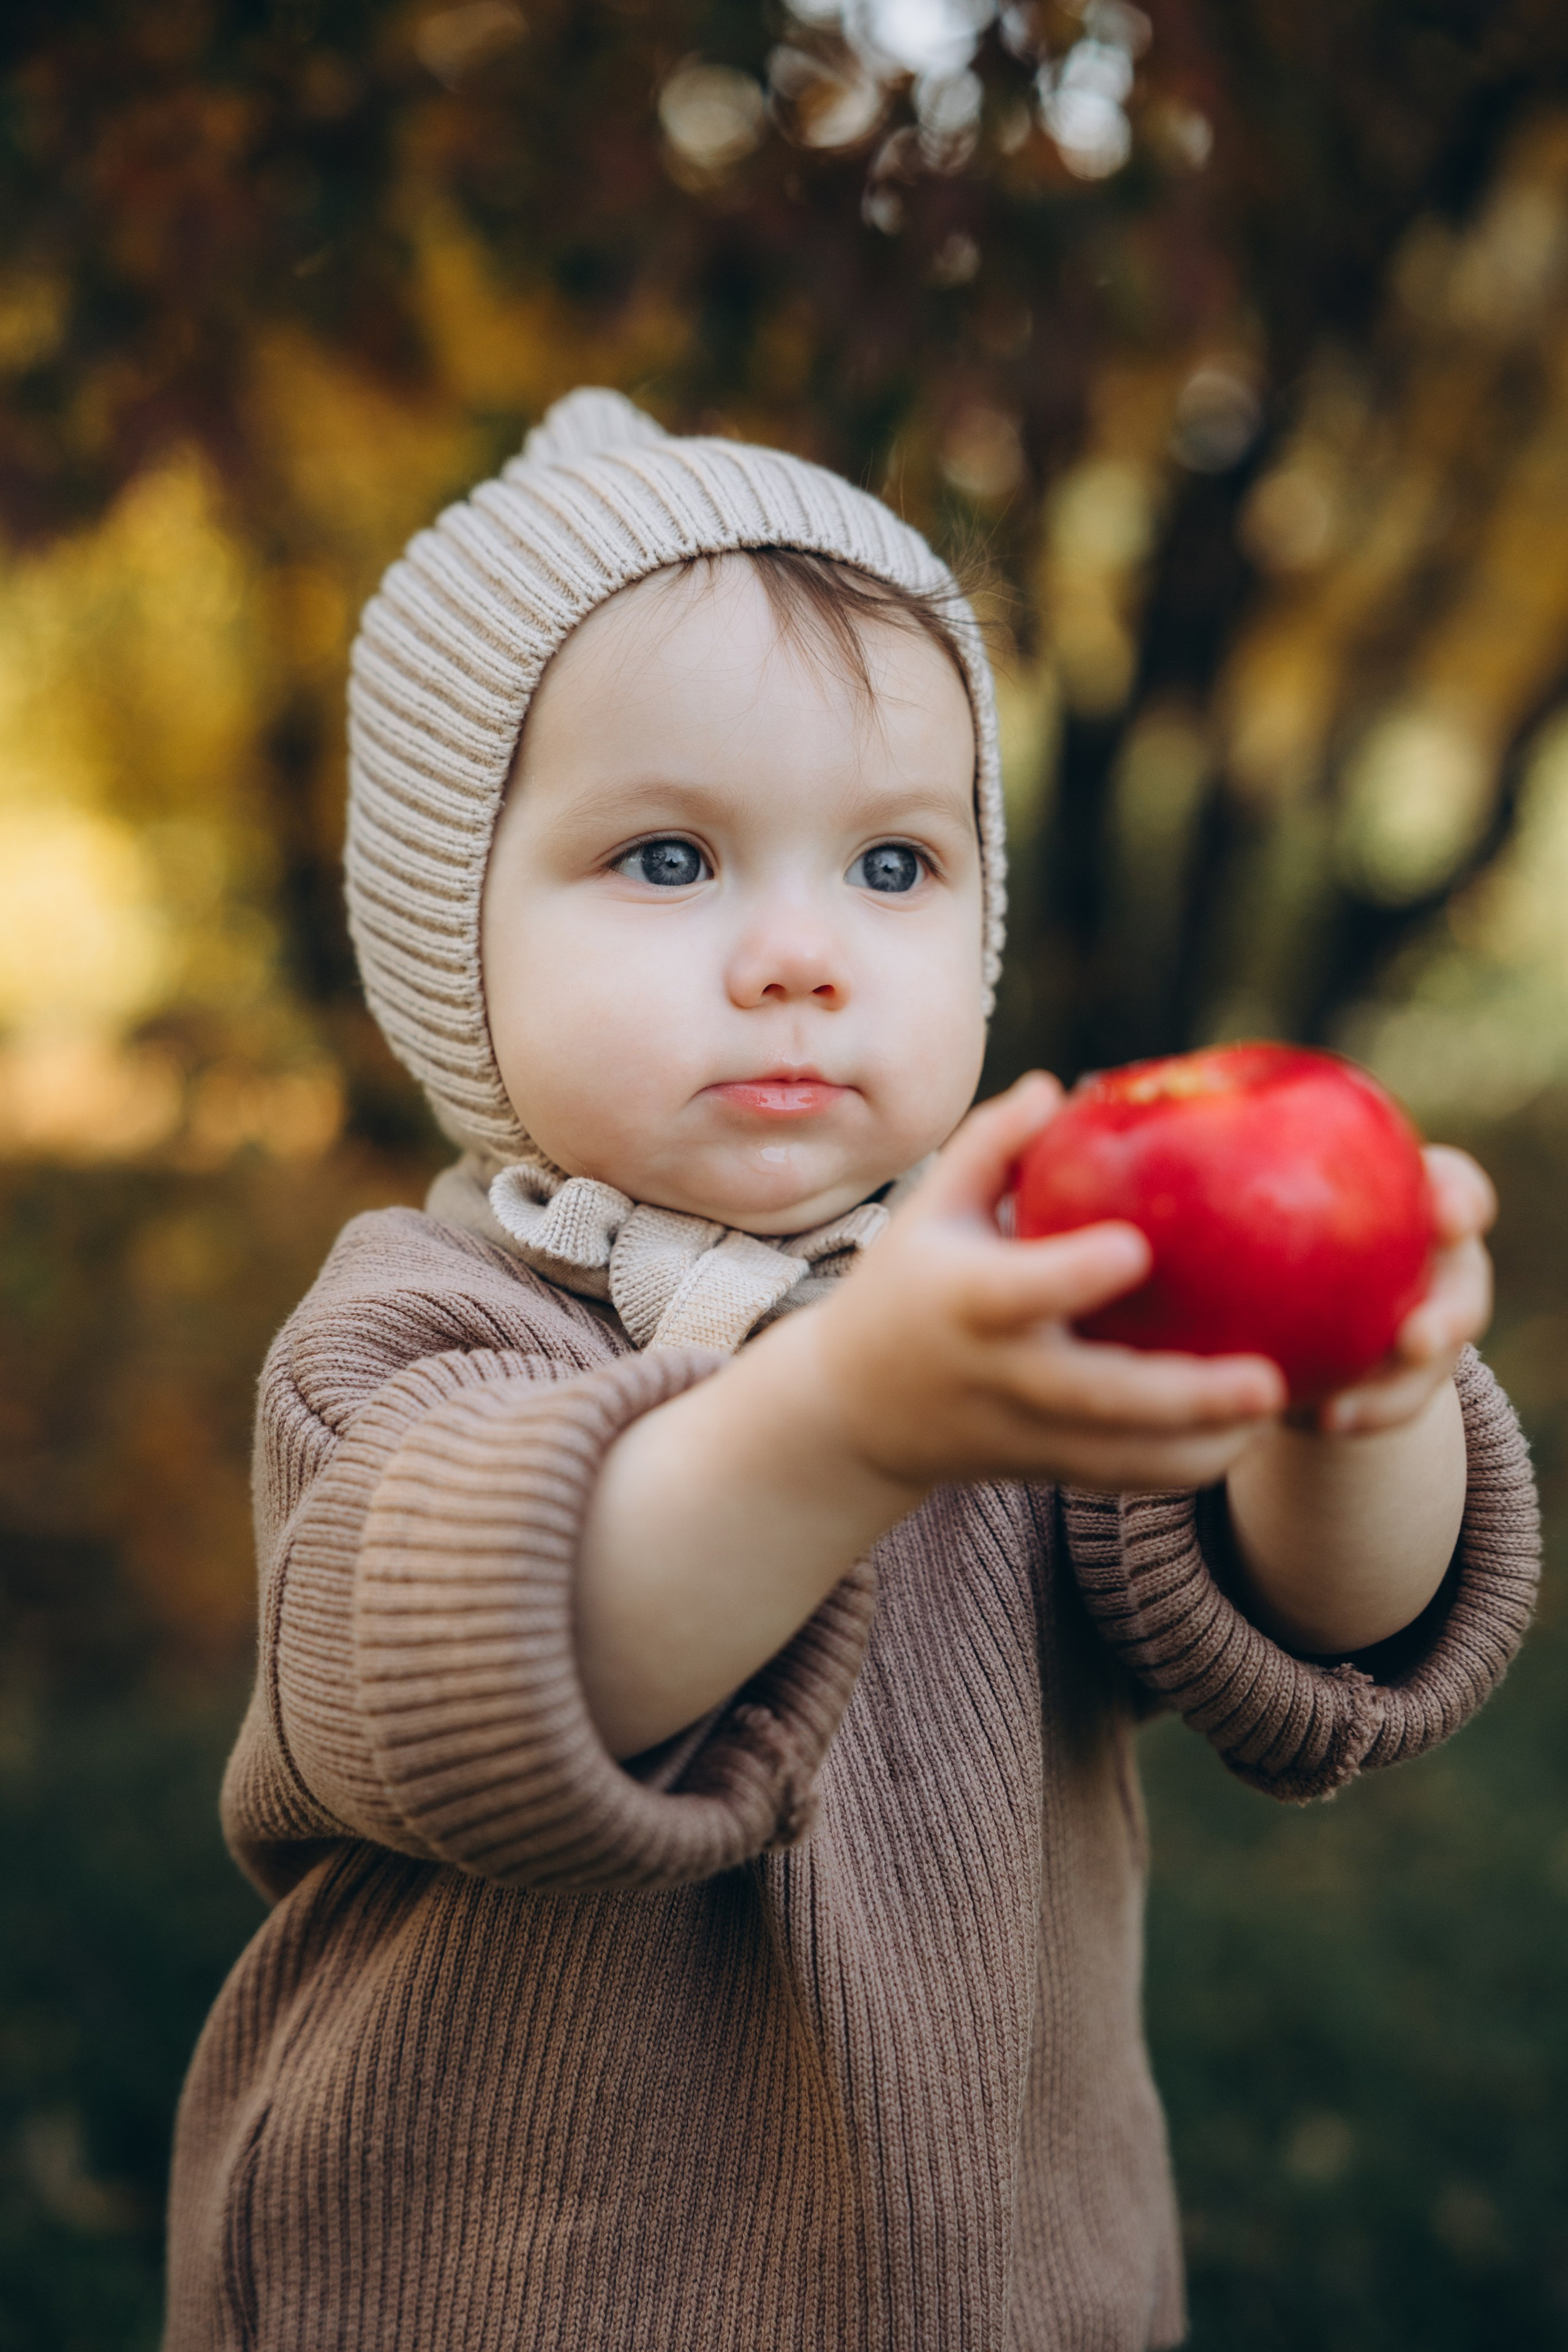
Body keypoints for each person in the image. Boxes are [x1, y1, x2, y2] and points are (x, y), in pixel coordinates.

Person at [164, 389, 1539, 2351]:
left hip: (1004, 2291)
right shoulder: (413, 1335)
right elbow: (519, 1657)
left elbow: (1321, 1630)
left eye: (893, 870)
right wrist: (852, 1421)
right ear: (444, 940)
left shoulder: (1035, 1294)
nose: (800, 953)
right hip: (475, 2290)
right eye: (666, 858)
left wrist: (1356, 1395)